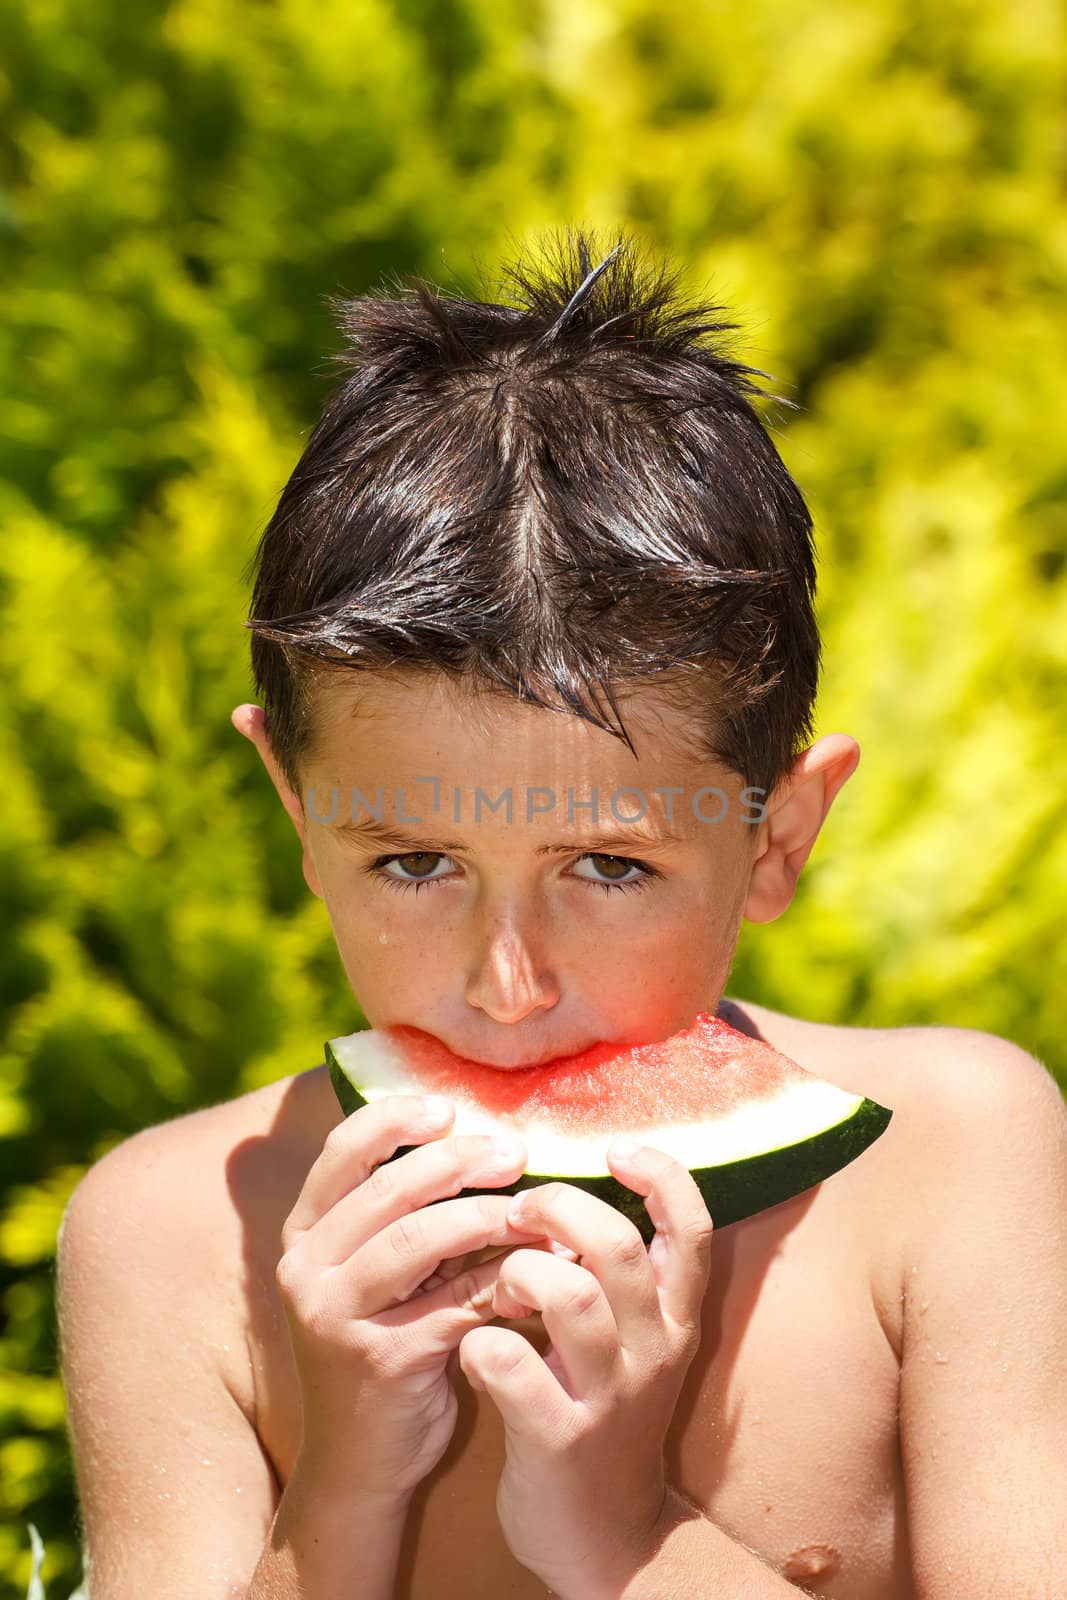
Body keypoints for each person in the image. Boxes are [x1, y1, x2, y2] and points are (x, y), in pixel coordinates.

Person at [55, 229, 1066, 1600]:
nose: (509, 981)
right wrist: (343, 1489)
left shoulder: (952, 1159)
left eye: (612, 867)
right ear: (297, 813)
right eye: (415, 864)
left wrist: (628, 1526)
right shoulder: (174, 1235)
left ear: (778, 838)